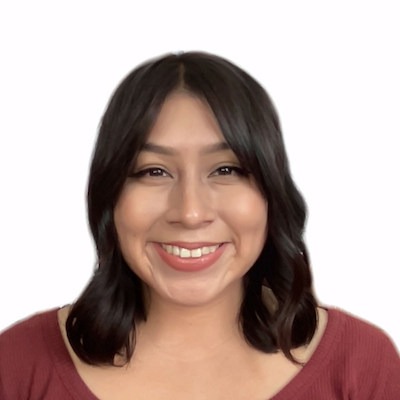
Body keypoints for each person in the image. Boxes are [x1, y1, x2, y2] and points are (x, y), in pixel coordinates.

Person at [0, 51, 399, 400]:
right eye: (153, 171)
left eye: (226, 169)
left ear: (271, 194)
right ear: (110, 197)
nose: (190, 213)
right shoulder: (18, 364)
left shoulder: (361, 366)